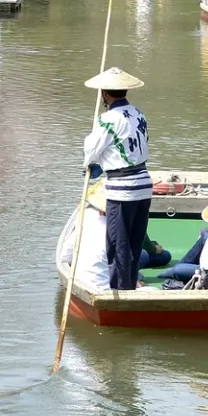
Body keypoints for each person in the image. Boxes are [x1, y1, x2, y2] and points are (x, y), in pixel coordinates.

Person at [81, 66, 152, 291]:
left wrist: (90, 164)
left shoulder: (107, 119)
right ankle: (129, 286)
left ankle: (119, 292)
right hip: (144, 183)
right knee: (134, 242)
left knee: (117, 244)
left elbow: (91, 149)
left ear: (104, 94)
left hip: (123, 189)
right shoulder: (139, 113)